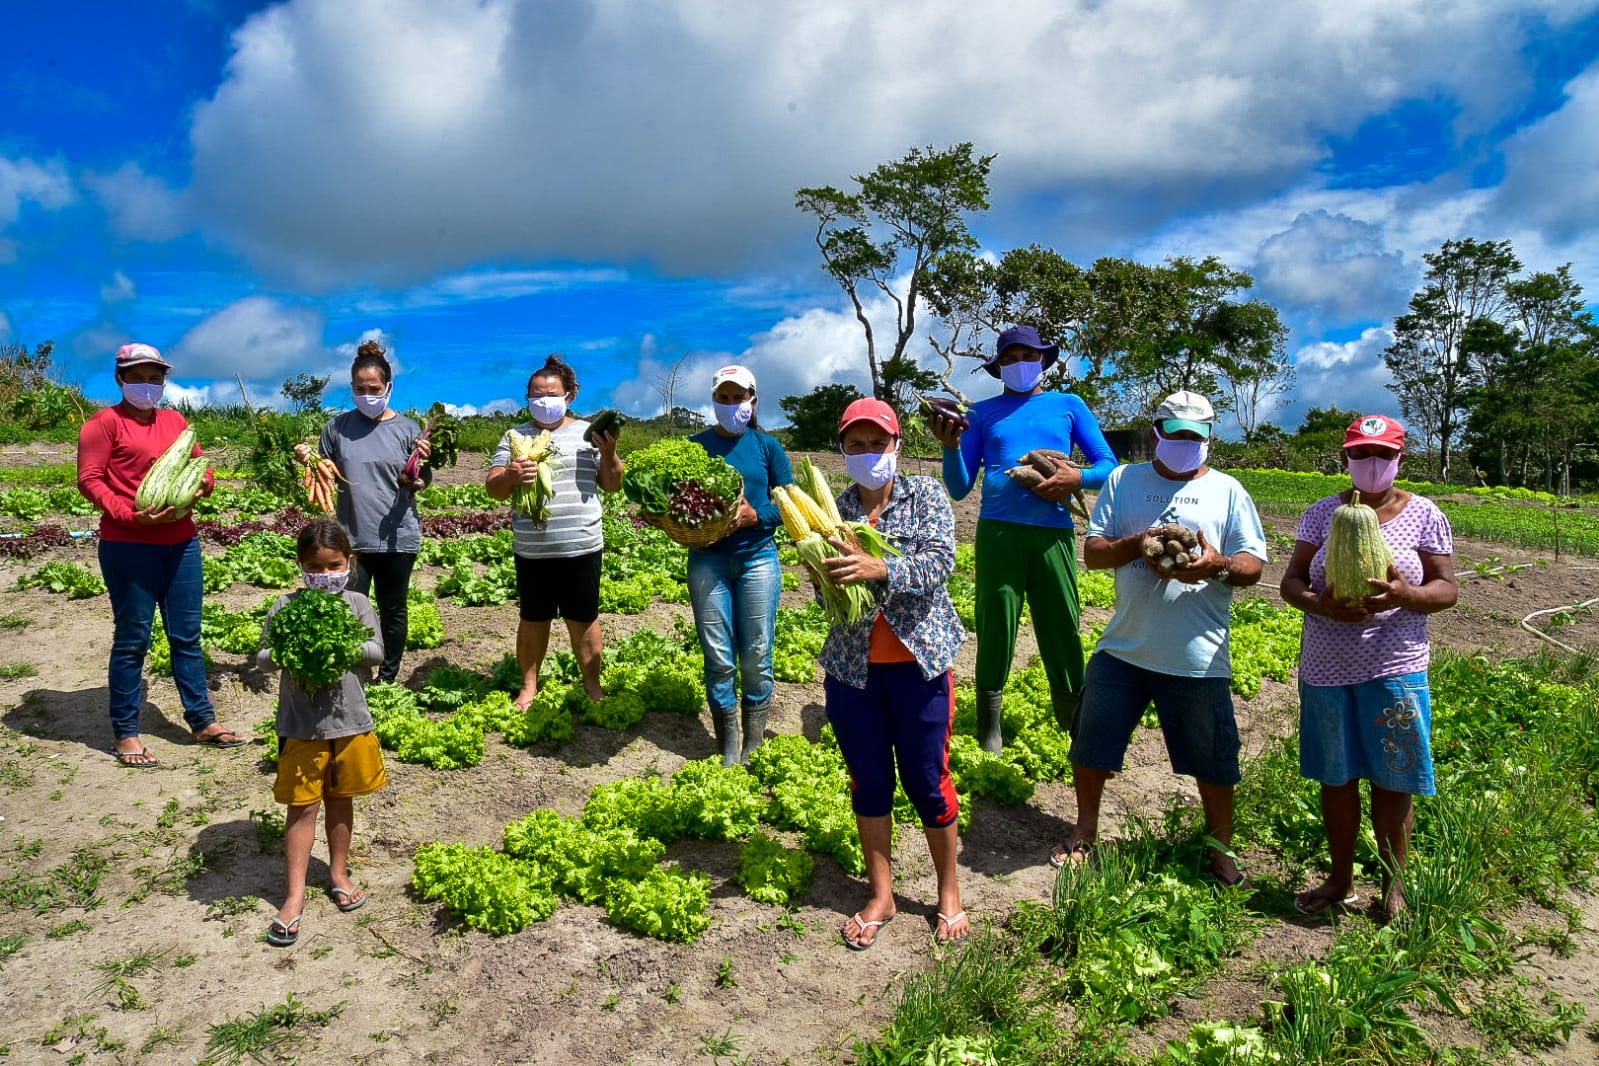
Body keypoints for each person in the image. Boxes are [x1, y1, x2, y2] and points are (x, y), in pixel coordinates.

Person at [1051, 391, 1267, 885]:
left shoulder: (1229, 491)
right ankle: (1085, 833)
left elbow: (1252, 565)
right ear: (1156, 433)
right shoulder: (1126, 480)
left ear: (1209, 439)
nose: (1185, 444)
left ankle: (1220, 850)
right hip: (1124, 646)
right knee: (1091, 742)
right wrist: (1140, 543)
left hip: (1196, 654)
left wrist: (1217, 565)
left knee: (1214, 757)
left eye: (1195, 437)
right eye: (1176, 435)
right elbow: (1095, 552)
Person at [1279, 415, 1456, 920]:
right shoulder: (1321, 514)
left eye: (1382, 454)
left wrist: (1407, 595)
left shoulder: (1424, 514)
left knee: (1393, 777)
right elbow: (1291, 582)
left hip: (1394, 666)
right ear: (1345, 458)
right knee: (1336, 778)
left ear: (1400, 458)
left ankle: (1393, 885)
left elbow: (1447, 588)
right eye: (1360, 454)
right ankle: (1340, 879)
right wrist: (1322, 604)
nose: (1371, 464)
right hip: (1326, 668)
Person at [818, 399, 969, 949]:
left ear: (897, 445)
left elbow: (939, 563)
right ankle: (881, 894)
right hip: (853, 670)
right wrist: (831, 575)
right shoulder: (831, 510)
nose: (866, 454)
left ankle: (947, 891)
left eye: (876, 444)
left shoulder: (924, 495)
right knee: (870, 781)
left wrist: (879, 566)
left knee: (929, 781)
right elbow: (825, 591)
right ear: (843, 451)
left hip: (918, 664)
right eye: (854, 446)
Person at [930, 325, 1117, 753]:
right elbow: (959, 488)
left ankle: (1072, 715)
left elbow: (1108, 464)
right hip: (998, 532)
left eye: (1027, 356)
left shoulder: (1068, 405)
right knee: (996, 624)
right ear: (999, 367)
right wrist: (950, 448)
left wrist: (1078, 477)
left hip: (1054, 533)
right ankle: (989, 722)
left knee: (1063, 625)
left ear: (1044, 361)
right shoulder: (980, 413)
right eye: (1010, 358)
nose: (1019, 365)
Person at [76, 342, 246, 765]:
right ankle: (126, 732)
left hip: (182, 542)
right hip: (128, 543)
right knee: (133, 639)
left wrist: (204, 483)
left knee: (187, 636)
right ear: (120, 379)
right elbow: (90, 480)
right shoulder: (102, 424)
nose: (147, 385)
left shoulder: (176, 421)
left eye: (155, 378)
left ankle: (202, 721)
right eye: (137, 377)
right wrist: (133, 516)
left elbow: (199, 465)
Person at [255, 520, 388, 947]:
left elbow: (376, 652)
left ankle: (338, 872)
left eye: (334, 565)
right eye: (315, 566)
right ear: (302, 566)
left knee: (340, 799)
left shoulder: (357, 604)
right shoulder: (285, 606)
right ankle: (293, 896)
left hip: (349, 722)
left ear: (349, 563)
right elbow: (262, 657)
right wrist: (285, 653)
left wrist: (339, 642)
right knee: (301, 807)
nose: (325, 573)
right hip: (301, 726)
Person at [485, 354, 622, 707]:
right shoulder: (514, 436)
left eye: (552, 393)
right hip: (533, 549)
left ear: (569, 396)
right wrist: (512, 476)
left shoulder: (588, 432)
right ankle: (529, 686)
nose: (544, 400)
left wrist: (609, 455)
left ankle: (592, 683)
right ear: (527, 398)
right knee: (533, 619)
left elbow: (612, 485)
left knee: (584, 618)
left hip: (582, 545)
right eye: (536, 394)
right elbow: (493, 487)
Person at [296, 339, 432, 684]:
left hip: (399, 538)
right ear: (351, 388)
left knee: (393, 612)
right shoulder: (337, 428)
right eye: (360, 388)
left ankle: (386, 680)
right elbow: (322, 470)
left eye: (374, 388)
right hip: (351, 541)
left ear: (388, 387)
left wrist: (422, 472)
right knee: (351, 611)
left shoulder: (409, 429)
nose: (367, 393)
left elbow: (422, 479)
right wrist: (307, 458)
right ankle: (353, 676)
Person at [687, 365, 794, 765]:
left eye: (739, 397)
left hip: (758, 558)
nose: (731, 405)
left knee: (756, 652)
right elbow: (677, 500)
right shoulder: (695, 446)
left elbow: (789, 504)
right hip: (707, 559)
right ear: (714, 401)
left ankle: (754, 739)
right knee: (717, 655)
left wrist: (755, 516)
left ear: (753, 399)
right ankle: (727, 742)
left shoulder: (768, 447)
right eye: (724, 398)